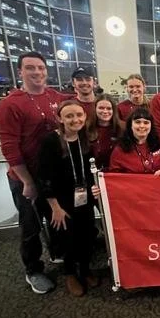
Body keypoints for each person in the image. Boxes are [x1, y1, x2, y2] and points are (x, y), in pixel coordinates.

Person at [0, 51, 72, 294]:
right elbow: (10, 147)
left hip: (52, 175)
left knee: (57, 217)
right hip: (25, 178)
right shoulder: (11, 103)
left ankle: (58, 253)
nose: (37, 72)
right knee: (30, 226)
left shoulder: (55, 97)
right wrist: (27, 181)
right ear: (20, 71)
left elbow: (76, 106)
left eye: (40, 67)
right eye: (30, 68)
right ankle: (33, 269)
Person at [38, 100, 100, 297]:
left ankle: (85, 268)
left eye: (79, 115)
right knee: (68, 238)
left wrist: (95, 189)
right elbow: (44, 177)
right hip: (61, 202)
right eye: (70, 116)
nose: (75, 120)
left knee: (88, 234)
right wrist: (54, 207)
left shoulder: (85, 138)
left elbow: (90, 170)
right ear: (60, 119)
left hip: (84, 199)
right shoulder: (51, 141)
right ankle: (70, 273)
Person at [109, 107, 160, 175]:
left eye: (146, 122)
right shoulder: (119, 150)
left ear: (151, 126)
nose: (142, 126)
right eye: (137, 122)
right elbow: (113, 178)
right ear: (130, 125)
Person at [86, 94, 123, 170]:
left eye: (109, 108)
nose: (105, 111)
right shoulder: (86, 128)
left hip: (116, 173)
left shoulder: (123, 128)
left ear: (114, 110)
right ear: (95, 109)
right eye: (101, 108)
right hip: (92, 173)